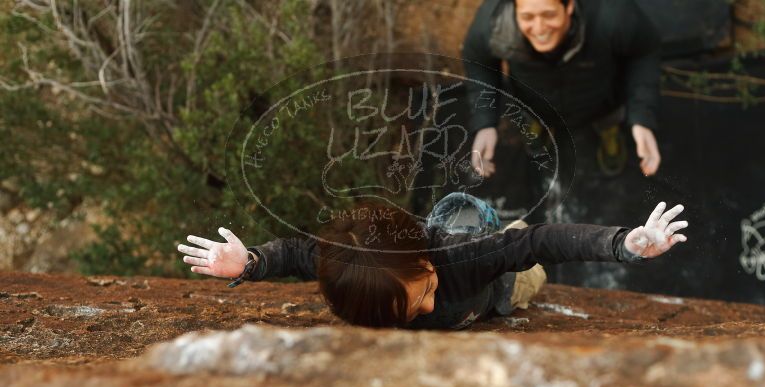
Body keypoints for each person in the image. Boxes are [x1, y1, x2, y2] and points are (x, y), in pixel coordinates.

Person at [177, 196, 687, 329]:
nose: (422, 310)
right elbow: (292, 251)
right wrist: (248, 263)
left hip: (495, 286)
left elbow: (540, 241)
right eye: (407, 311)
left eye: (421, 294)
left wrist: (622, 244)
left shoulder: (457, 263)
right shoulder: (352, 271)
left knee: (522, 263)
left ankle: (487, 224)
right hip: (426, 246)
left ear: (425, 265)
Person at [463, 0, 662, 177]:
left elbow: (644, 51)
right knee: (533, 117)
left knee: (609, 120)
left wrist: (642, 117)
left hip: (602, 101)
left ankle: (609, 134)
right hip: (532, 100)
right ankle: (540, 130)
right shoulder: (493, 24)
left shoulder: (613, 15)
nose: (539, 29)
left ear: (569, 6)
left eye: (549, 15)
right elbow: (479, 65)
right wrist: (485, 122)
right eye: (527, 17)